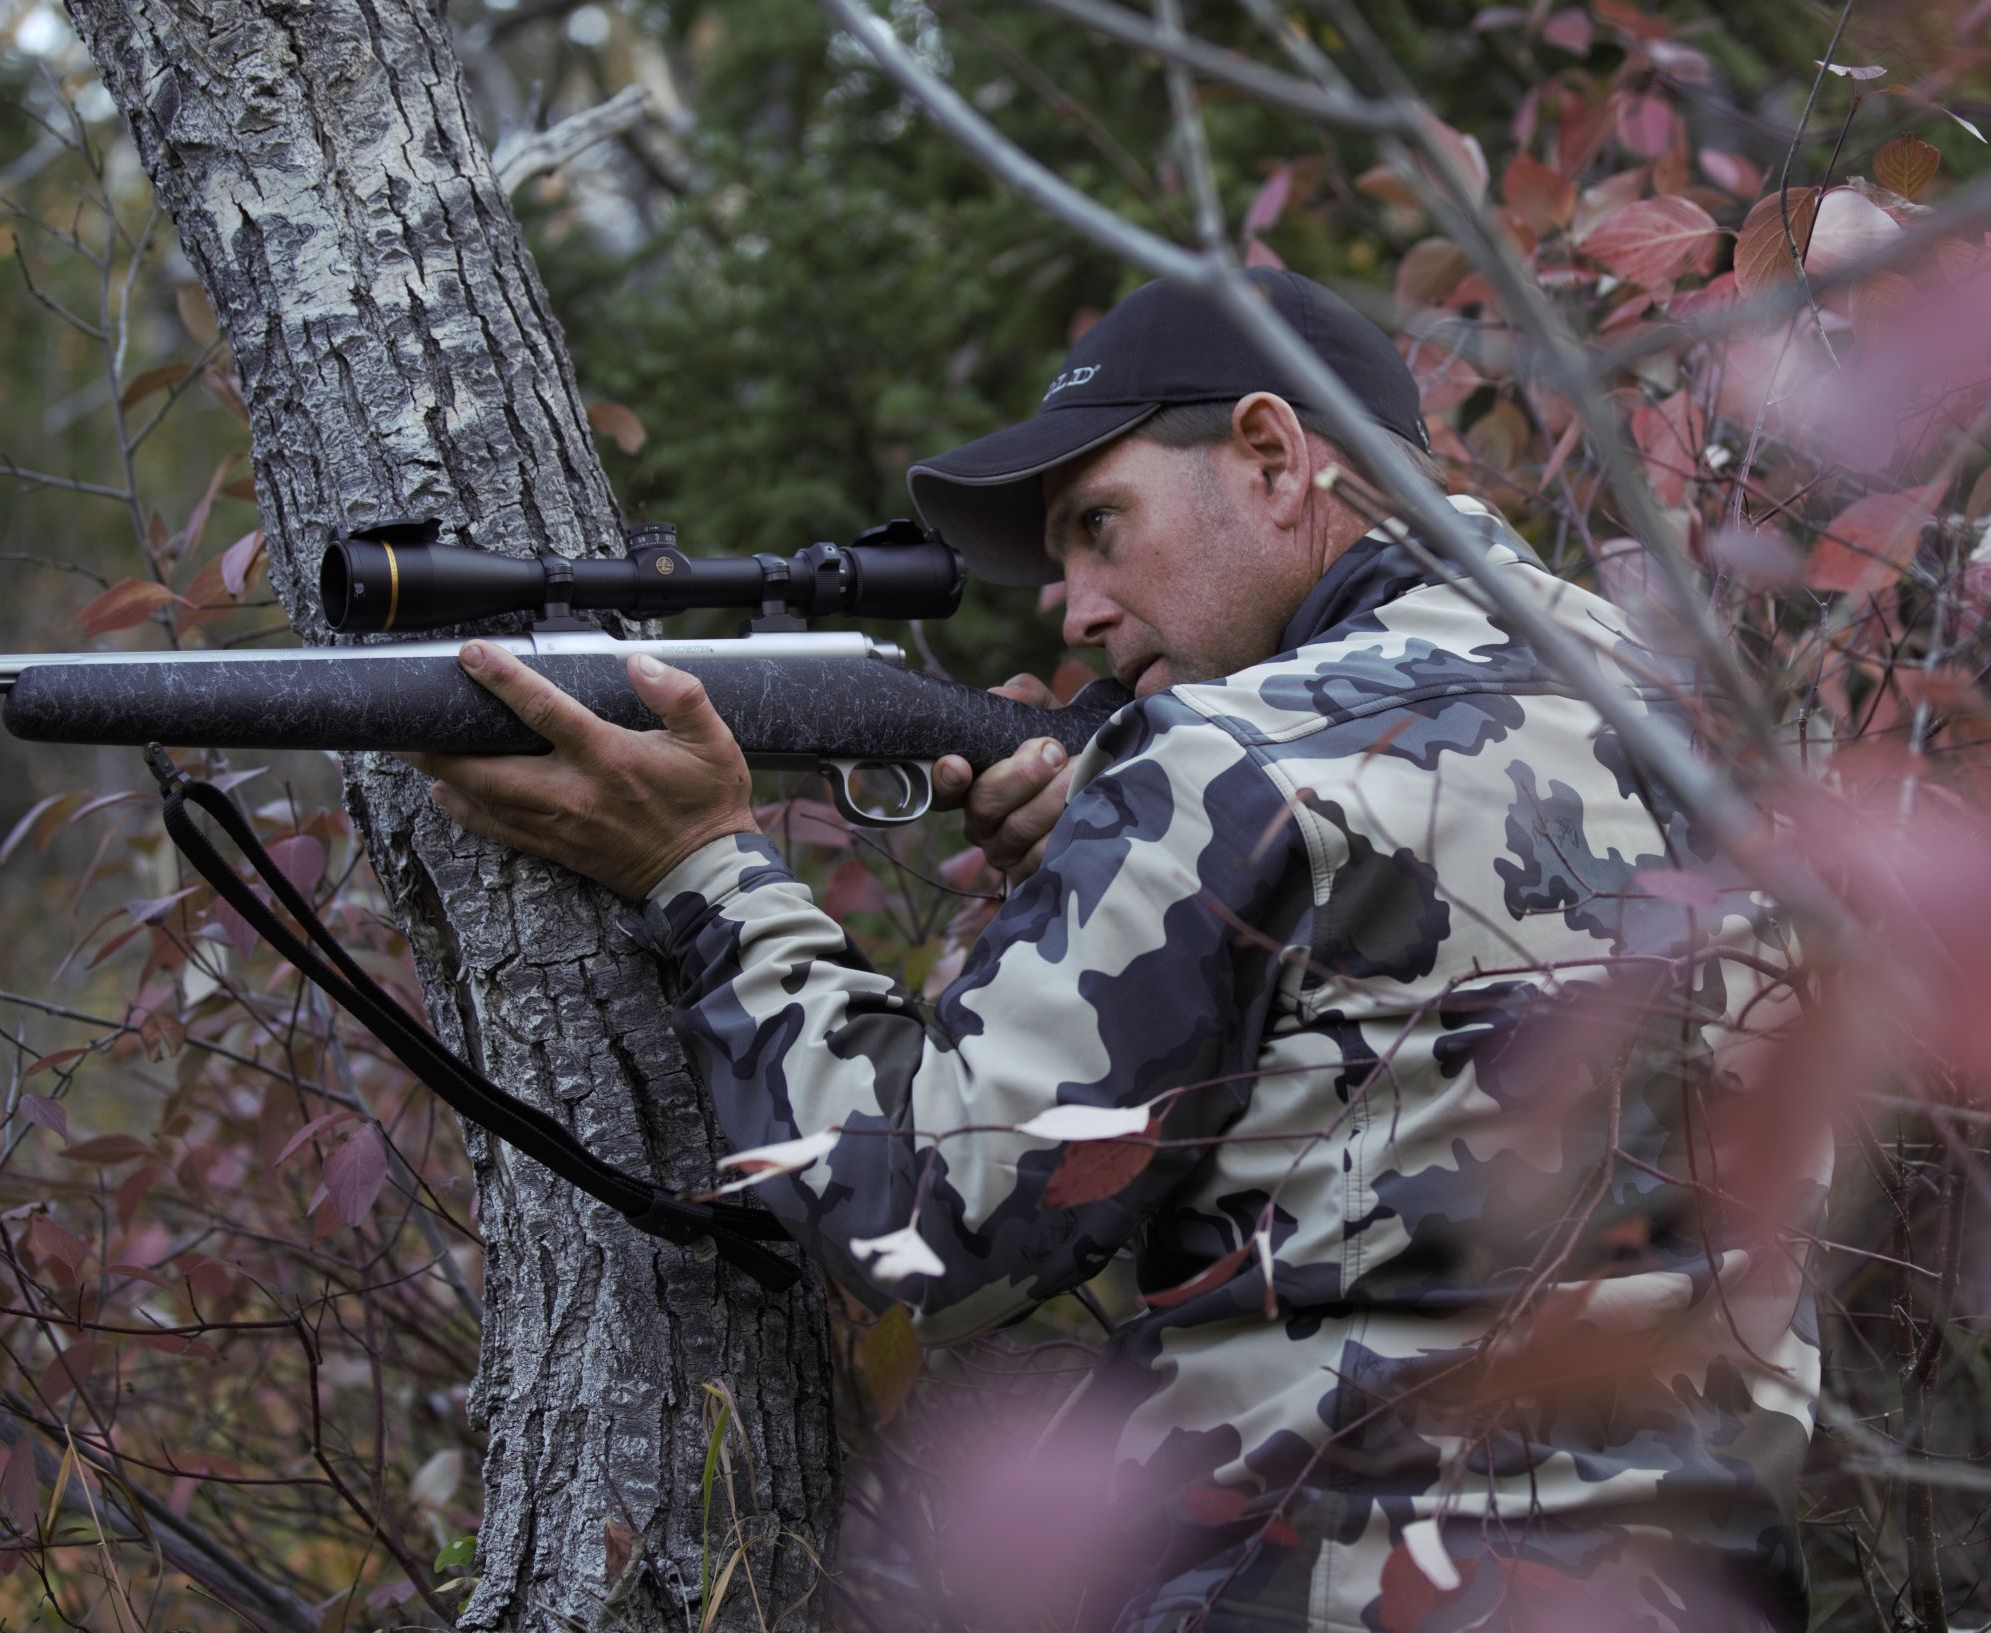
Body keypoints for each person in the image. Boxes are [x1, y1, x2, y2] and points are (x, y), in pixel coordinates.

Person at [414, 268, 1822, 1632]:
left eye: (1100, 524)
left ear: (1275, 457)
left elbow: (925, 1212)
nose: (1072, 609)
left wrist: (703, 867)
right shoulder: (1703, 722)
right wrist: (1099, 882)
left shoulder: (1228, 759)